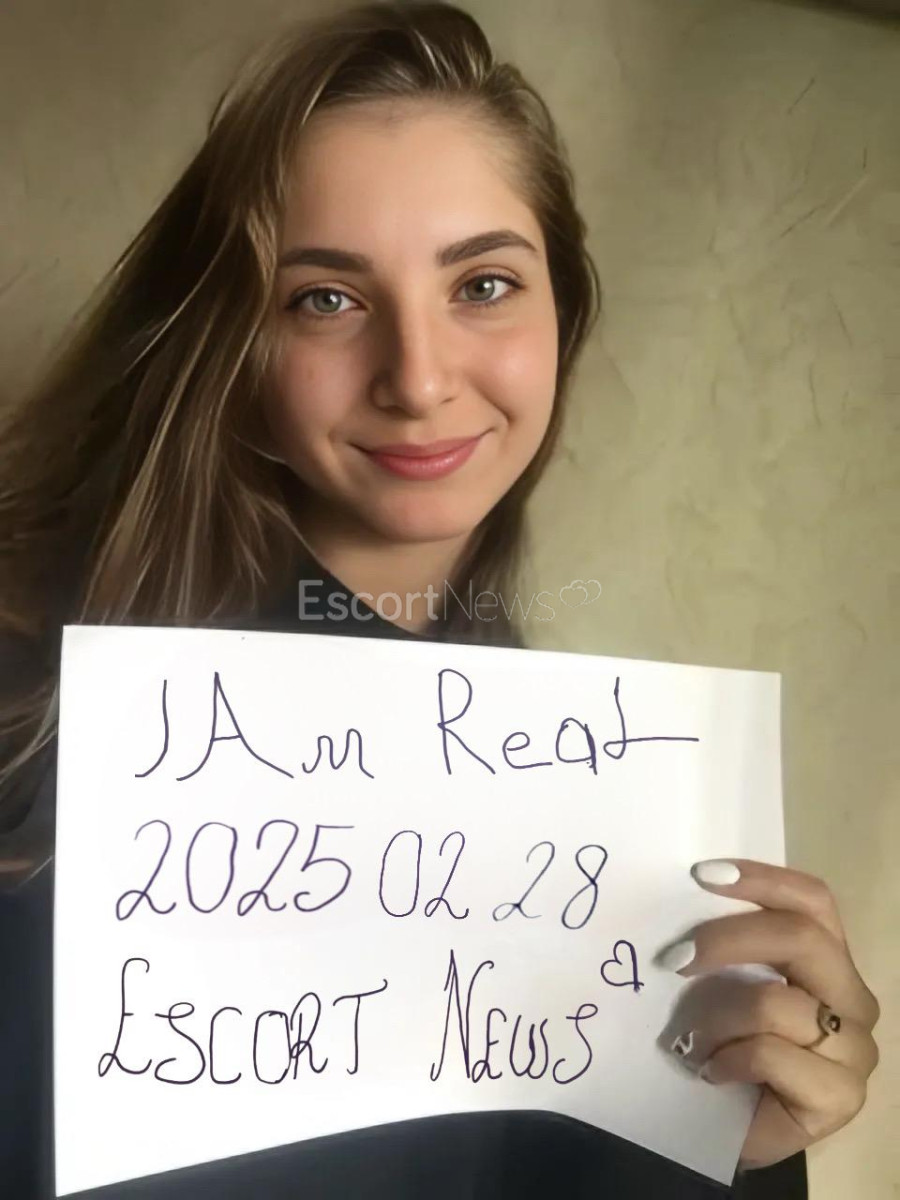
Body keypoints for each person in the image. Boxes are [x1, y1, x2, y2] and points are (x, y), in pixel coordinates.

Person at [0, 2, 880, 1197]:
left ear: (562, 317)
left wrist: (744, 1141)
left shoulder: (628, 808)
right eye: (326, 298)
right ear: (233, 349)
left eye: (484, 283)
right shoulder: (35, 728)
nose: (418, 379)